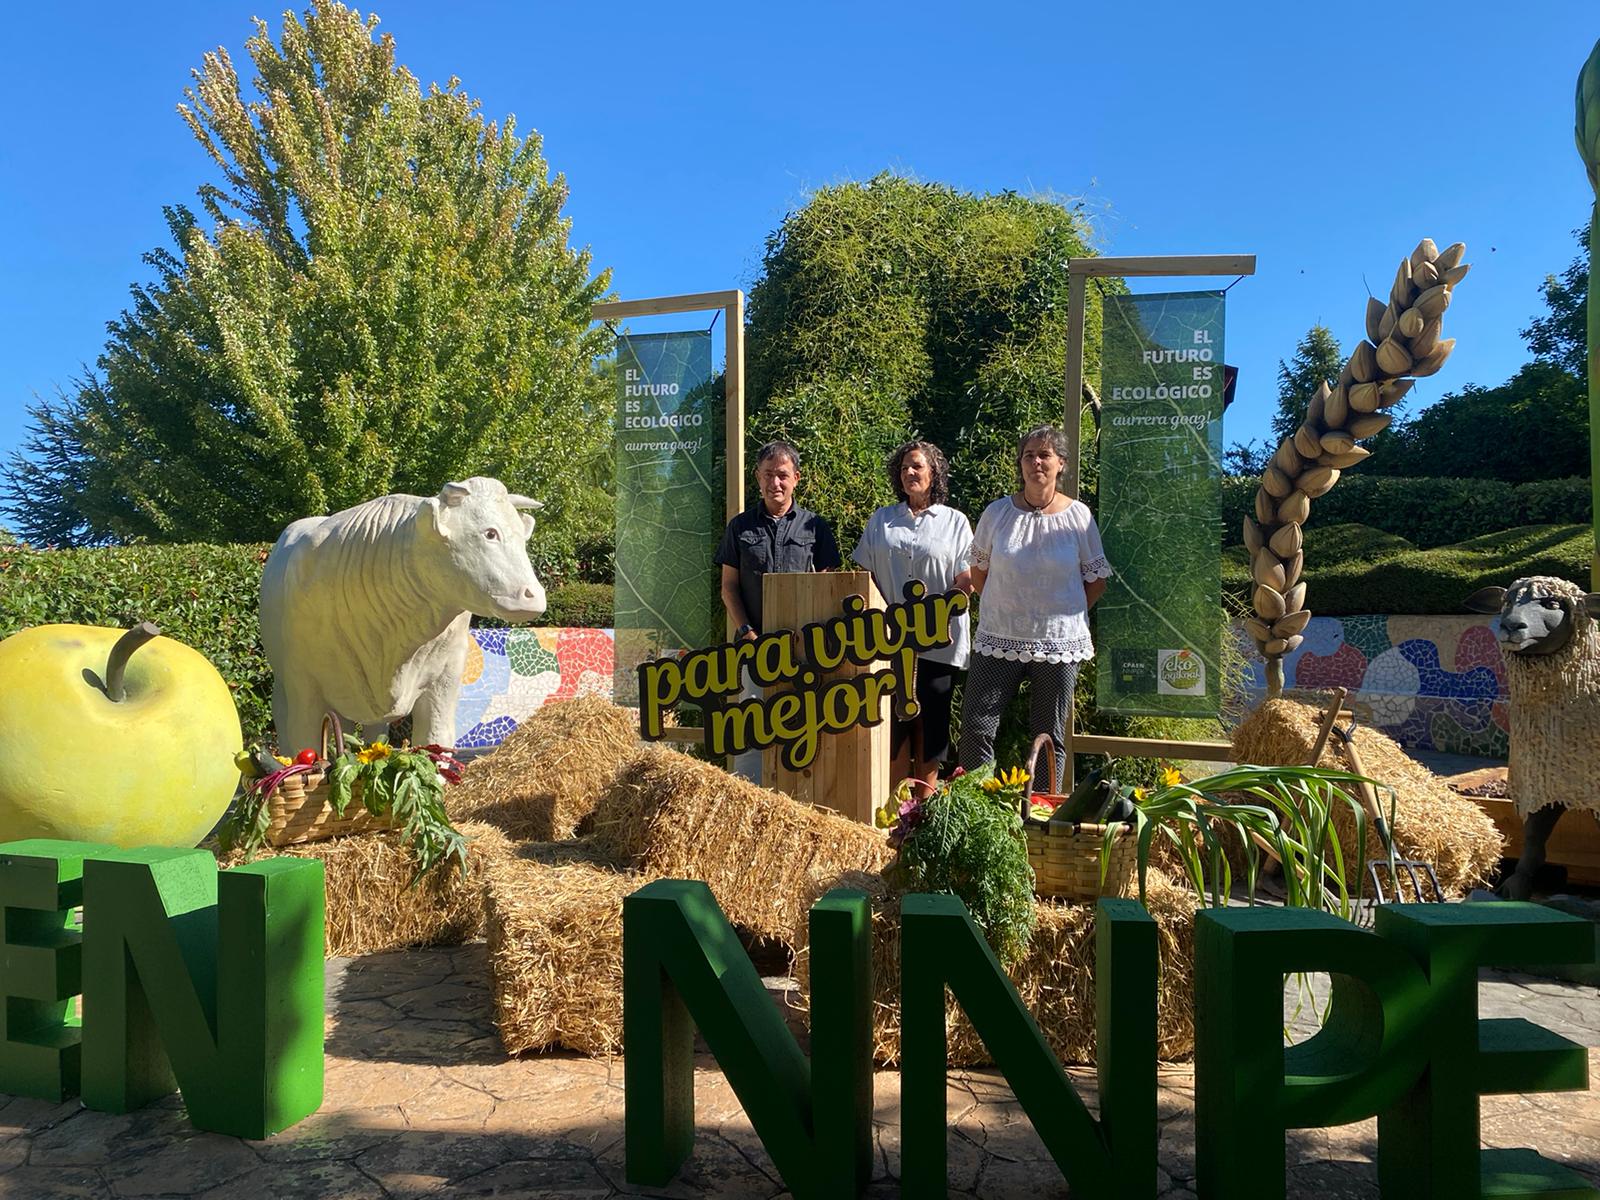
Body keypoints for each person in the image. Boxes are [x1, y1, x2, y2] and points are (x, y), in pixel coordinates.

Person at [958, 425, 1112, 791]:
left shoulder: (1079, 517)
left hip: (1058, 645)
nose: (1036, 462)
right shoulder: (997, 514)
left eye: (1044, 455)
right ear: (1021, 464)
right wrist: (1007, 606)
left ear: (1061, 464)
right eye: (1029, 455)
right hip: (999, 636)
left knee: (1049, 735)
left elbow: (1097, 580)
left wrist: (1062, 613)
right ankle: (980, 809)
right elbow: (979, 572)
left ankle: (1042, 818)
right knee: (977, 726)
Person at [714, 439, 842, 778]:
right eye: (768, 475)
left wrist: (812, 640)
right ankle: (747, 809)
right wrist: (747, 633)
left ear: (796, 478)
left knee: (803, 730)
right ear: (757, 477)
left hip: (804, 651)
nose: (775, 483)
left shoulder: (816, 528)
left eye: (783, 475)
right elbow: (728, 588)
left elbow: (828, 587)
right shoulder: (740, 528)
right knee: (752, 731)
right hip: (755, 649)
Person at [851, 440, 972, 788]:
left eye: (917, 466)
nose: (909, 472)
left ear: (934, 473)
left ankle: (925, 804)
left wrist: (935, 615)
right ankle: (894, 806)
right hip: (889, 641)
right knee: (892, 721)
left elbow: (967, 580)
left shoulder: (955, 522)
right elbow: (866, 577)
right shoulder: (882, 520)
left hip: (939, 641)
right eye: (904, 467)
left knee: (932, 721)